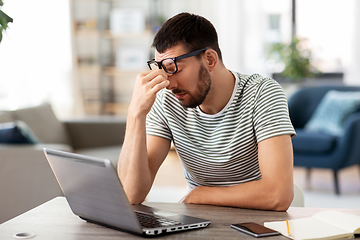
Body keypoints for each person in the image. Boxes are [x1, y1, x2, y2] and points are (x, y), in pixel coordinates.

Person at [118, 12, 296, 211]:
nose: (168, 83)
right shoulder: (167, 100)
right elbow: (131, 193)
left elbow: (278, 195)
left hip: (257, 220)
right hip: (200, 222)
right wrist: (135, 113)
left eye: (173, 68)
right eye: (161, 69)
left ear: (210, 59)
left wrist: (200, 194)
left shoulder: (262, 93)